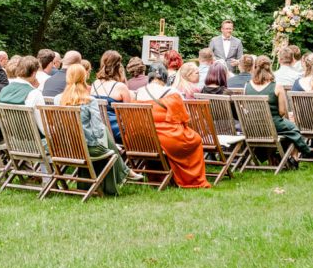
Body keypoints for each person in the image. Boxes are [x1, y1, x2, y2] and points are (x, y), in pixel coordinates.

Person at [56, 64, 135, 194]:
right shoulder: (90, 100)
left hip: (65, 148)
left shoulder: (58, 99)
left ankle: (122, 171)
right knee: (108, 146)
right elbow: (98, 131)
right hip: (87, 149)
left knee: (104, 141)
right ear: (84, 77)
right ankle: (122, 174)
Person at [135, 64, 211, 188]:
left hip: (142, 139)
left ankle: (160, 175)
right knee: (195, 139)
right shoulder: (171, 93)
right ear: (165, 77)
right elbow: (183, 118)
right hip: (166, 138)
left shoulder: (139, 93)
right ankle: (190, 178)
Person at [244, 55, 310, 160]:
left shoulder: (247, 85)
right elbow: (282, 112)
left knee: (286, 129)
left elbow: (245, 109)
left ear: (255, 67)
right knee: (293, 128)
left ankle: (272, 157)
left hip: (252, 126)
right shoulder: (277, 86)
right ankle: (295, 157)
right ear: (270, 67)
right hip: (273, 124)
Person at [90, 50, 132, 144]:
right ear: (118, 66)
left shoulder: (95, 84)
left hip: (97, 128)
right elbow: (128, 114)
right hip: (116, 131)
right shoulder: (120, 87)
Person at [0, 55, 46, 131]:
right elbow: (44, 128)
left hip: (11, 140)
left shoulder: (4, 90)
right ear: (34, 73)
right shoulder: (34, 93)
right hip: (34, 141)